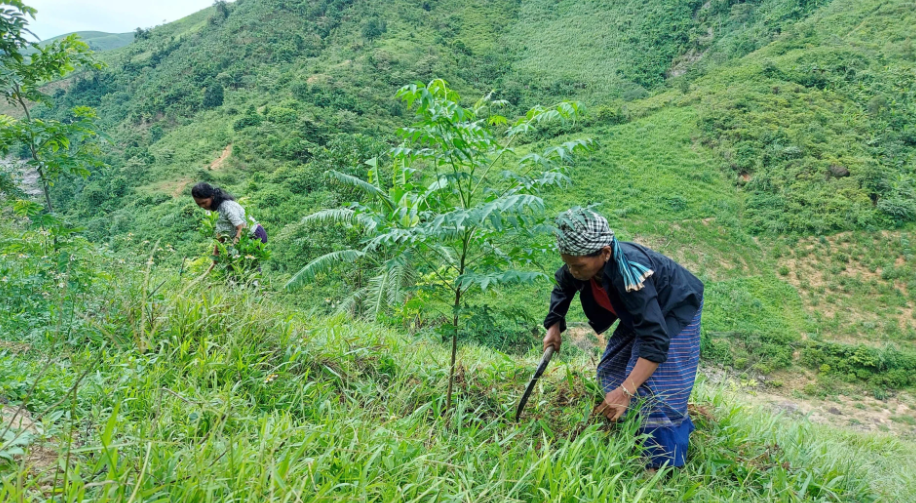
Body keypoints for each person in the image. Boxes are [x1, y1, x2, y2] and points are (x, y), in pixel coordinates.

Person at [543, 208, 704, 471]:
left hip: (673, 308)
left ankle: (661, 466)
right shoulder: (581, 264)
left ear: (605, 253)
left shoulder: (631, 276)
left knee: (653, 389)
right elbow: (564, 282)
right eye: (568, 263)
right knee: (613, 370)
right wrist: (553, 325)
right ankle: (630, 430)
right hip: (637, 312)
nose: (572, 270)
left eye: (578, 265)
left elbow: (655, 340)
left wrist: (627, 390)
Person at [191, 182, 267, 272]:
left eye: (204, 202)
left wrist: (233, 249)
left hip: (254, 235)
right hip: (240, 237)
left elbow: (242, 228)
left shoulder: (227, 207)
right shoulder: (212, 210)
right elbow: (221, 232)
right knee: (235, 268)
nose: (203, 206)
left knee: (248, 267)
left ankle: (256, 284)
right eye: (199, 204)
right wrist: (216, 253)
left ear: (212, 196)